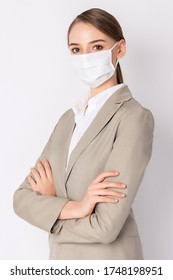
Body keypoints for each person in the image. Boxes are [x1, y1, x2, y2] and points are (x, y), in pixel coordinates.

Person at [13, 8, 154, 260]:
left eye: (97, 47)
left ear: (119, 50)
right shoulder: (68, 119)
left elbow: (105, 227)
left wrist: (51, 211)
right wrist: (78, 207)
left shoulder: (133, 117)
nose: (85, 57)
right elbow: (22, 200)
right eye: (76, 49)